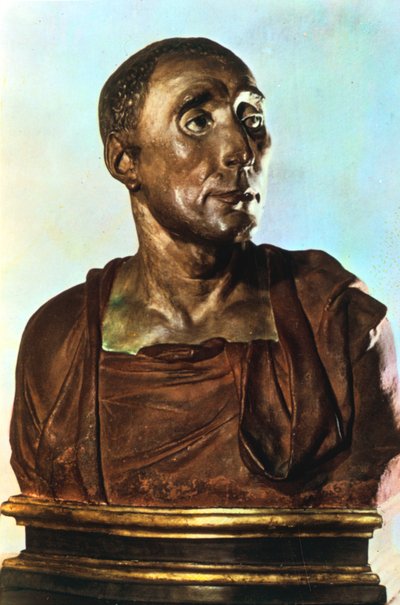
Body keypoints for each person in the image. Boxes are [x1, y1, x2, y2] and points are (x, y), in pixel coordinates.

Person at [10, 37, 400, 507]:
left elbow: (369, 498)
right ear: (125, 160)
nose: (241, 149)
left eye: (251, 119)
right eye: (197, 122)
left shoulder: (335, 319)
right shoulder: (58, 340)